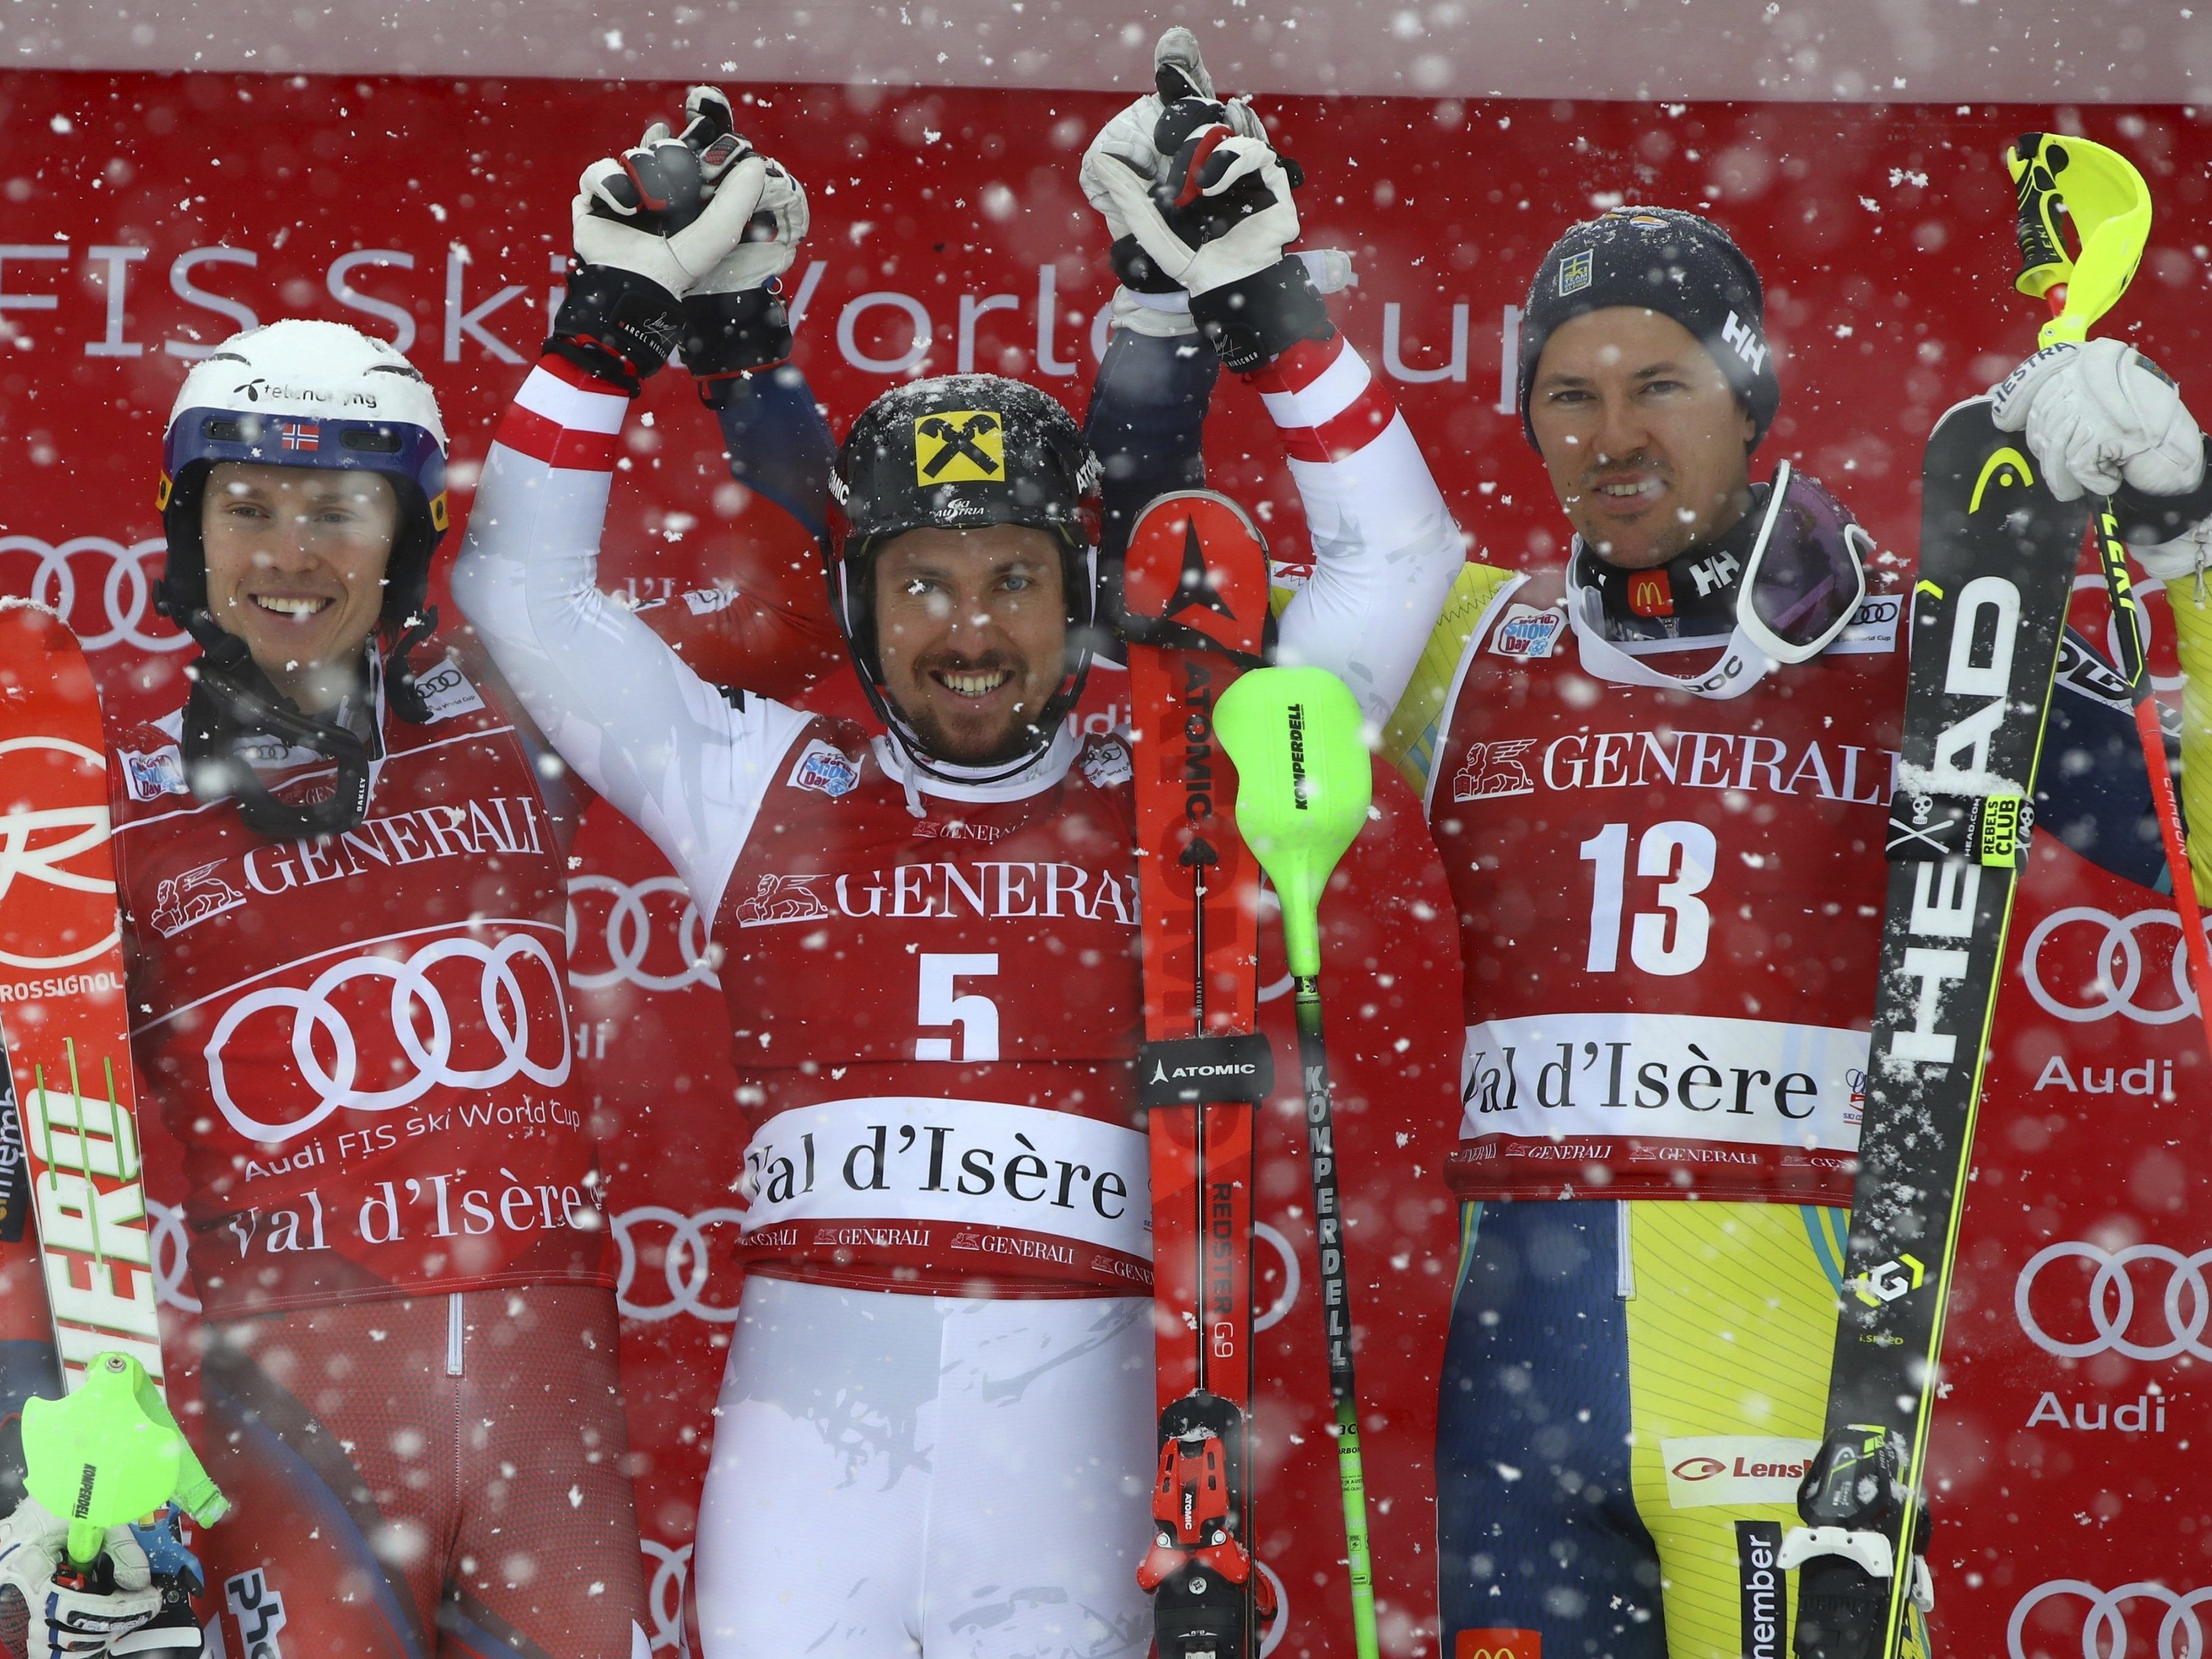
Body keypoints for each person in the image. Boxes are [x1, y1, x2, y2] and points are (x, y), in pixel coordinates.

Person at [452, 77, 1462, 1658]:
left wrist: (1265, 299)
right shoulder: (754, 777)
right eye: (922, 582)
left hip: (1075, 1453)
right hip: (805, 1454)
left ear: (1083, 598)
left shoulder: (1192, 774)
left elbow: (1398, 563)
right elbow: (521, 590)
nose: (971, 629)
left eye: (1012, 578)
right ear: (856, 605)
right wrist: (606, 317)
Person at [1370, 207, 2212, 1659]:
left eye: (1663, 384)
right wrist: (1198, 317)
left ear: (1752, 396)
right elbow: (1158, 639)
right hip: (1513, 1406)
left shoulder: (1931, 632)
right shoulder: (1462, 638)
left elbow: (2190, 832)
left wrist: (2187, 535)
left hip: (1787, 1382)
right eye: (1571, 393)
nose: (1614, 432)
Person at [80, 314, 647, 1659]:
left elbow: (790, 620)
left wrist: (675, 345)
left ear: (406, 542)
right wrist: (26, 1414)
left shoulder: (514, 713)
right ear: (187, 530)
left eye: (339, 508)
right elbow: (31, 1123)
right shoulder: (102, 800)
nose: (289, 552)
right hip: (296, 1424)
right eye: (250, 505)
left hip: (545, 1425)